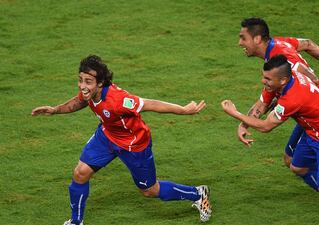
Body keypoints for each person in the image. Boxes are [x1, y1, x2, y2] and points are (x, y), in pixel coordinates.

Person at [31, 55, 212, 225]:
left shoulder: (118, 99)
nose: (82, 86)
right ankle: (75, 221)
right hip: (107, 136)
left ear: (100, 83)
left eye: (88, 82)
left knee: (149, 190)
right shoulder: (89, 94)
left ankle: (197, 194)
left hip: (134, 145)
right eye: (80, 80)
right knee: (80, 173)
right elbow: (79, 101)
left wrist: (183, 110)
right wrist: (55, 110)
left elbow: (150, 104)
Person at [238, 17, 319, 220]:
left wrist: (296, 96)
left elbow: (304, 81)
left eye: (243, 38)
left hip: (318, 109)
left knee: (299, 159)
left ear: (257, 39)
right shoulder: (277, 48)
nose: (240, 43)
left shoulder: (283, 59)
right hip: (316, 105)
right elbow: (307, 44)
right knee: (300, 160)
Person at [222, 55, 319, 225]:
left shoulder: (292, 98)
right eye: (264, 76)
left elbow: (266, 127)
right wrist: (244, 126)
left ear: (283, 80)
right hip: (313, 132)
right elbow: (266, 100)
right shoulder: (290, 74)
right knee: (298, 167)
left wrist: (235, 114)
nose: (263, 81)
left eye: (267, 79)